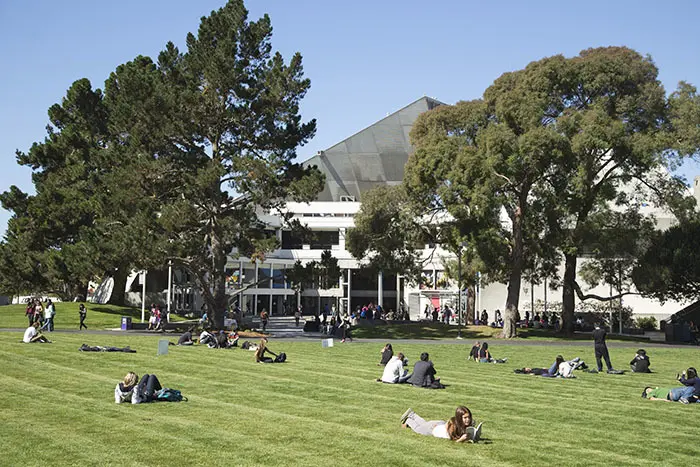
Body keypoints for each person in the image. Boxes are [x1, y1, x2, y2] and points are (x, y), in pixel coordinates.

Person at [400, 406, 480, 442]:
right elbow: (453, 439)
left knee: (424, 424)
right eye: (465, 418)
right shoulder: (454, 427)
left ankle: (412, 414)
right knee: (418, 429)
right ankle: (408, 420)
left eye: (469, 417)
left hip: (439, 424)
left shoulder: (463, 423)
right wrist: (461, 440)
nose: (468, 420)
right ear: (459, 418)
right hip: (433, 429)